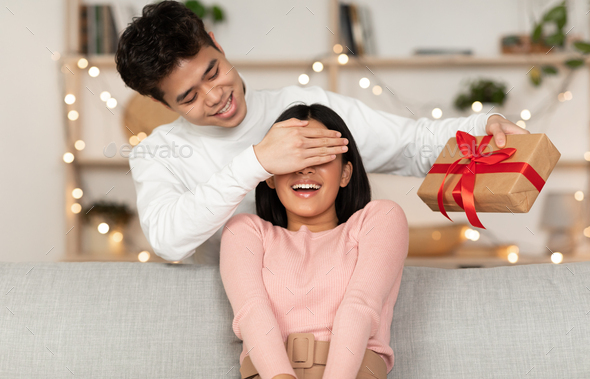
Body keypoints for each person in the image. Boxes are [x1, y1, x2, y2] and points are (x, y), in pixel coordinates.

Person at [115, 1, 529, 264]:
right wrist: (257, 162)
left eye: (213, 71)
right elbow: (168, 241)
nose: (215, 95)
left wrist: (478, 127)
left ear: (218, 46)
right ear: (160, 103)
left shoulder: (307, 108)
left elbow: (411, 145)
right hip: (240, 315)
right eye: (189, 97)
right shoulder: (158, 154)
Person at [220, 103, 408, 379]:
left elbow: (361, 305)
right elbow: (251, 311)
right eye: (293, 155)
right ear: (269, 174)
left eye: (320, 154)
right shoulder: (245, 230)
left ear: (345, 174)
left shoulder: (380, 218)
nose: (305, 167)